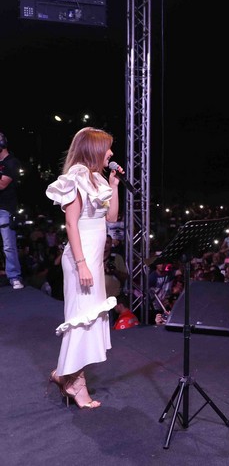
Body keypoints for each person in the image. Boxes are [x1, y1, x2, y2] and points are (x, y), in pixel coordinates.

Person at [45, 127, 121, 409]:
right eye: (107, 148)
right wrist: (81, 265)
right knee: (80, 319)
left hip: (93, 259)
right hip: (81, 259)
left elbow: (111, 217)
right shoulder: (76, 176)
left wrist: (113, 185)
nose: (111, 153)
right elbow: (71, 223)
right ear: (93, 150)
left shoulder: (97, 178)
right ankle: (74, 383)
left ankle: (64, 374)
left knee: (88, 318)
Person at [0, 131, 24, 290]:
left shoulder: (12, 162)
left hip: (5, 208)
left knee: (8, 245)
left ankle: (14, 276)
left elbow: (2, 184)